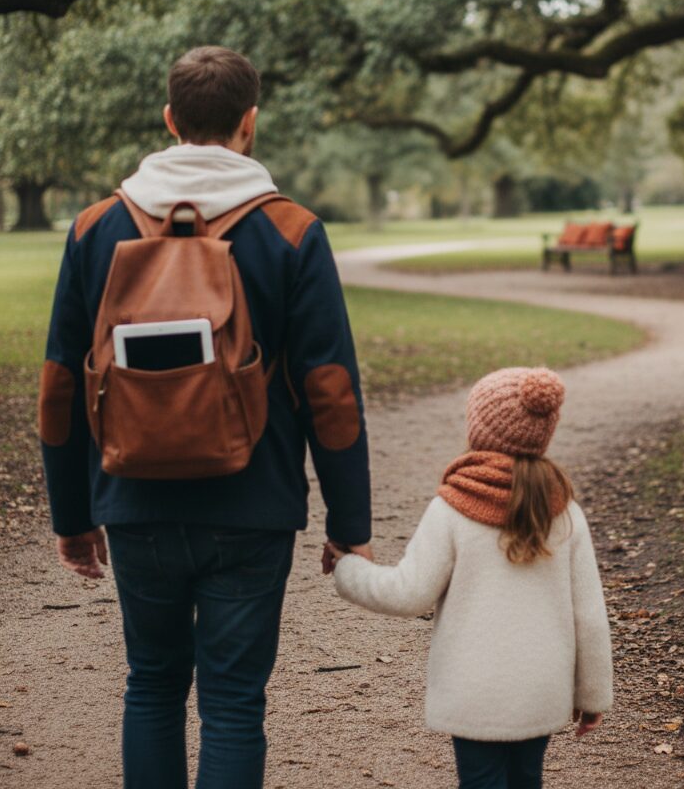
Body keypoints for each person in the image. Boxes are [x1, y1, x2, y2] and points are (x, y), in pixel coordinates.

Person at [37, 45, 373, 789]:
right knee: (232, 704)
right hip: (253, 506)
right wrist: (350, 524)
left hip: (134, 498)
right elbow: (331, 389)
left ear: (169, 120)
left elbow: (60, 384)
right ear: (249, 123)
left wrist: (73, 515)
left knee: (151, 685)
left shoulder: (97, 227)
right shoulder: (291, 230)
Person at [329, 367, 612, 789]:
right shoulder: (564, 510)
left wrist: (347, 568)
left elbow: (408, 594)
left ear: (479, 428)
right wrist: (592, 696)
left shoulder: (454, 507)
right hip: (540, 689)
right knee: (525, 780)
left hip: (473, 692)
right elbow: (588, 614)